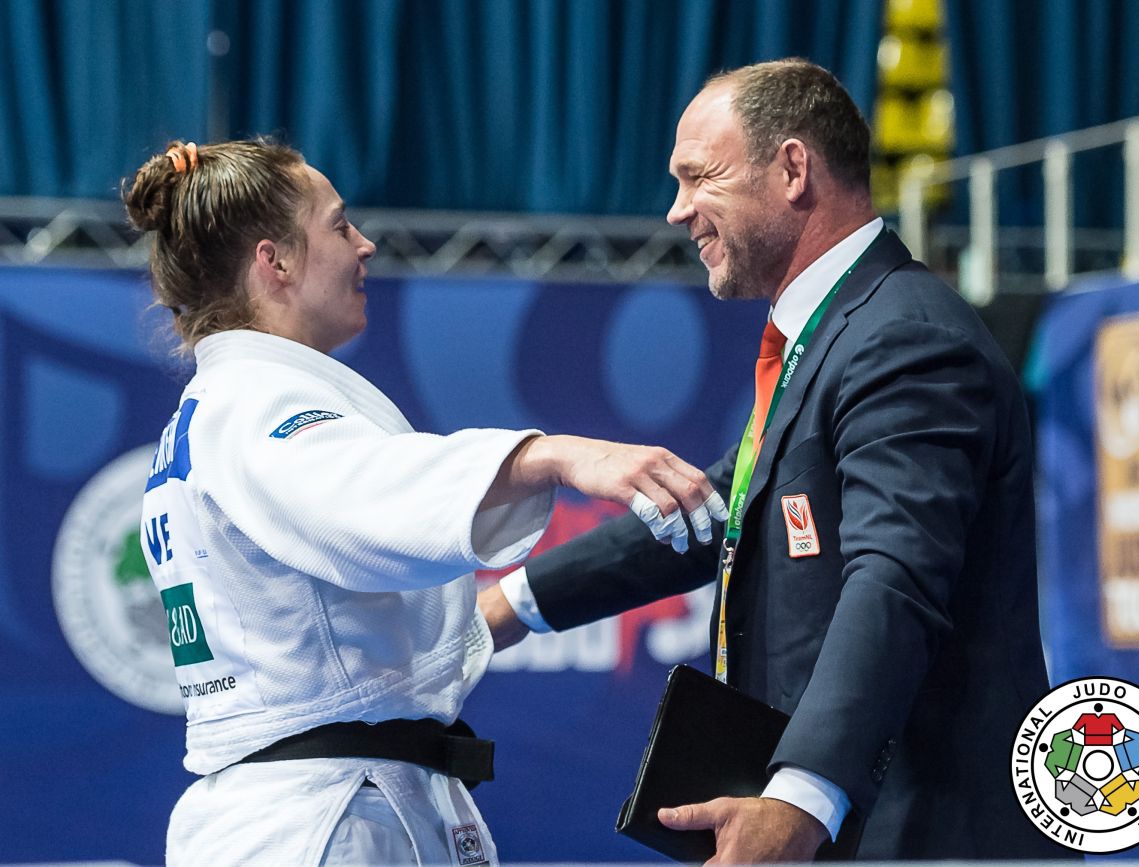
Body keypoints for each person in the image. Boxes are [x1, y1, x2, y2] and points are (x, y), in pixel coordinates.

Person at [480, 59, 1066, 862]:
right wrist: (503, 609)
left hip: (926, 834)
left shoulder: (905, 337)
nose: (676, 209)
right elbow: (712, 508)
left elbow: (893, 579)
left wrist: (800, 794)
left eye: (699, 177)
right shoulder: (835, 334)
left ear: (793, 169)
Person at [124, 138, 727, 866]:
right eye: (340, 225)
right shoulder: (254, 403)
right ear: (273, 261)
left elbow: (340, 637)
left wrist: (506, 611)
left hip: (315, 802)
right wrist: (555, 454)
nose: (365, 245)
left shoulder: (220, 406)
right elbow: (364, 501)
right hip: (323, 822)